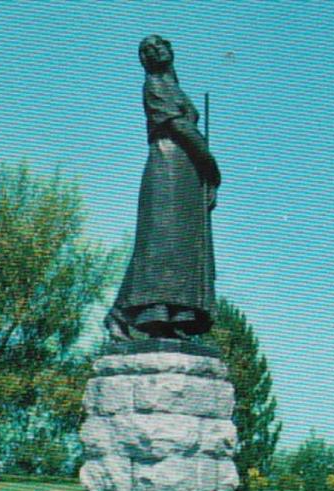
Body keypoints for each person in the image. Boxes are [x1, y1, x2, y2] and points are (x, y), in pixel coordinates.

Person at [105, 35, 221, 340]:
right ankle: (120, 314)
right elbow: (180, 127)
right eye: (147, 50)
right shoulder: (155, 86)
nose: (154, 51)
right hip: (167, 167)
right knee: (158, 246)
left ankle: (170, 317)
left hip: (187, 173)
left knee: (182, 247)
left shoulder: (175, 88)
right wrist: (213, 167)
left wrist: (205, 176)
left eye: (159, 46)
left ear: (171, 50)